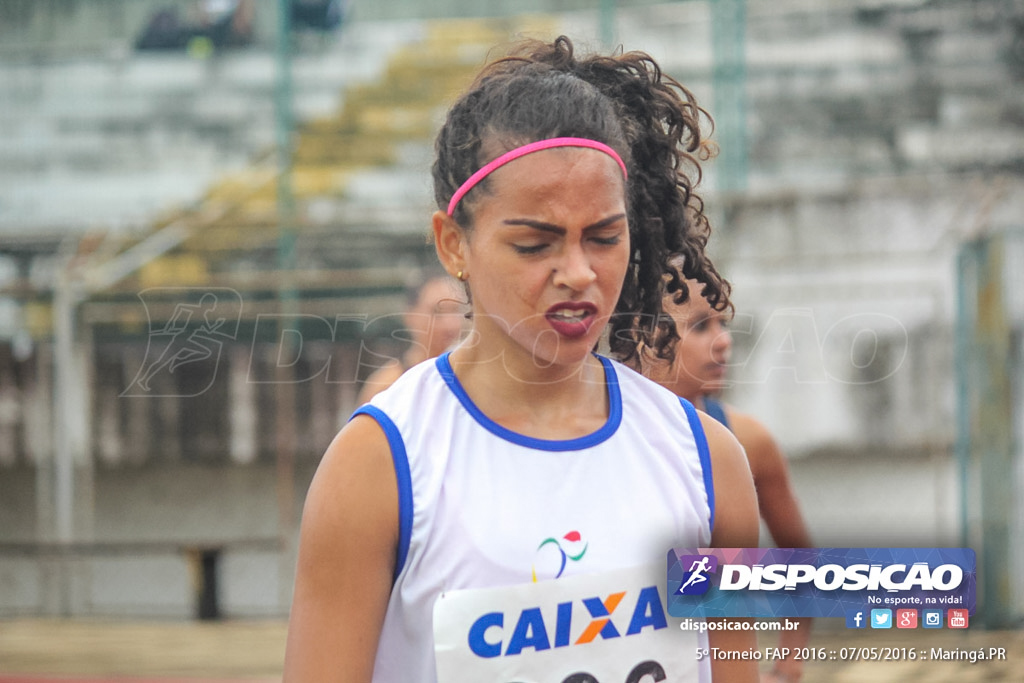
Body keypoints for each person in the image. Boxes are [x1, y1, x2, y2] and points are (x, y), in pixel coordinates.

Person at [284, 36, 759, 683]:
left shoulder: (708, 463)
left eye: (604, 236)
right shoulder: (380, 466)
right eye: (536, 243)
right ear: (453, 244)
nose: (578, 272)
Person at [640, 271, 815, 683]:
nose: (724, 341)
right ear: (643, 334)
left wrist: (787, 666)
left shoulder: (748, 442)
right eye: (701, 326)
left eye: (723, 324)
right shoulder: (598, 439)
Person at [356, 273, 464, 404]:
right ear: (410, 315)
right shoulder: (387, 387)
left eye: (455, 310)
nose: (449, 324)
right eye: (437, 312)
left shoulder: (473, 379)